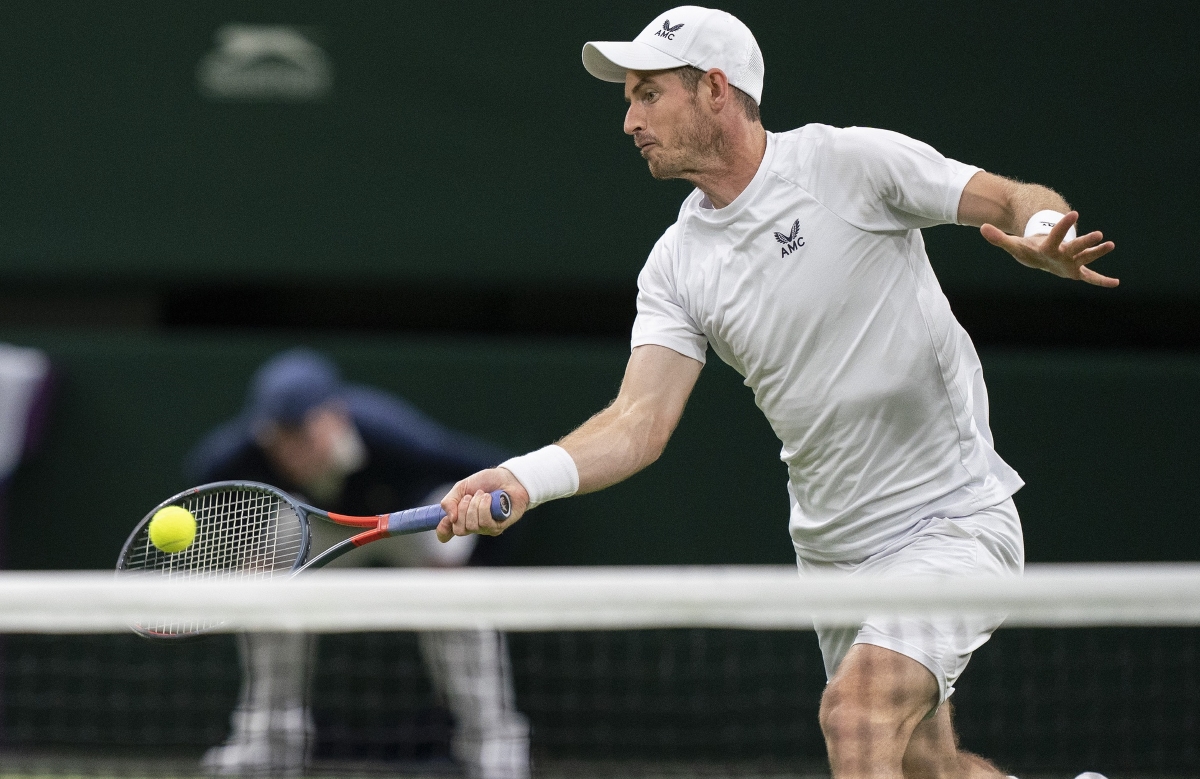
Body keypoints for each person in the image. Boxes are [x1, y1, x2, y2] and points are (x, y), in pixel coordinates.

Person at [434, 7, 1116, 779]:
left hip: (950, 519)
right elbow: (638, 421)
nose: (629, 121)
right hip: (831, 553)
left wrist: (1045, 231)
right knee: (930, 764)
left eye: (647, 94)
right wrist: (521, 477)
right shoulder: (675, 266)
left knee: (854, 715)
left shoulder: (849, 164)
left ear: (715, 89)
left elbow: (1009, 198)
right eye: (628, 99)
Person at [189, 349, 529, 779]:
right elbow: (204, 488)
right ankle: (267, 744)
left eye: (304, 433)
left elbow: (502, 485)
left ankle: (495, 748)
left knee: (459, 607)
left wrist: (474, 568)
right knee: (267, 596)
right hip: (321, 527)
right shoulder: (240, 454)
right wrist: (245, 552)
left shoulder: (395, 436)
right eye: (280, 436)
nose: (292, 449)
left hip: (412, 521)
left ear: (334, 417)